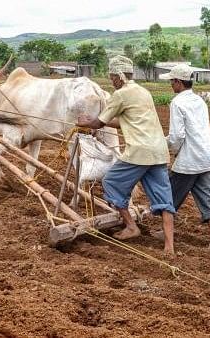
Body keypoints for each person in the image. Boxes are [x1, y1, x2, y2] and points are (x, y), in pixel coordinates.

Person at [76, 55, 176, 255]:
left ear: (120, 76)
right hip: (158, 152)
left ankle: (131, 226)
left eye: (113, 77)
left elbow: (99, 123)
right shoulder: (143, 92)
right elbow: (126, 122)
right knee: (165, 199)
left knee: (111, 183)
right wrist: (96, 123)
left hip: (138, 152)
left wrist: (86, 122)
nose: (112, 81)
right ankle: (169, 247)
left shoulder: (121, 94)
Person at [159, 65, 210, 251]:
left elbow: (177, 136)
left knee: (168, 196)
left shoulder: (177, 103)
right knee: (208, 197)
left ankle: (166, 234)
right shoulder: (199, 100)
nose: (171, 85)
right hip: (205, 156)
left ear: (178, 82)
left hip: (188, 159)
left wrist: (166, 147)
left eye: (172, 81)